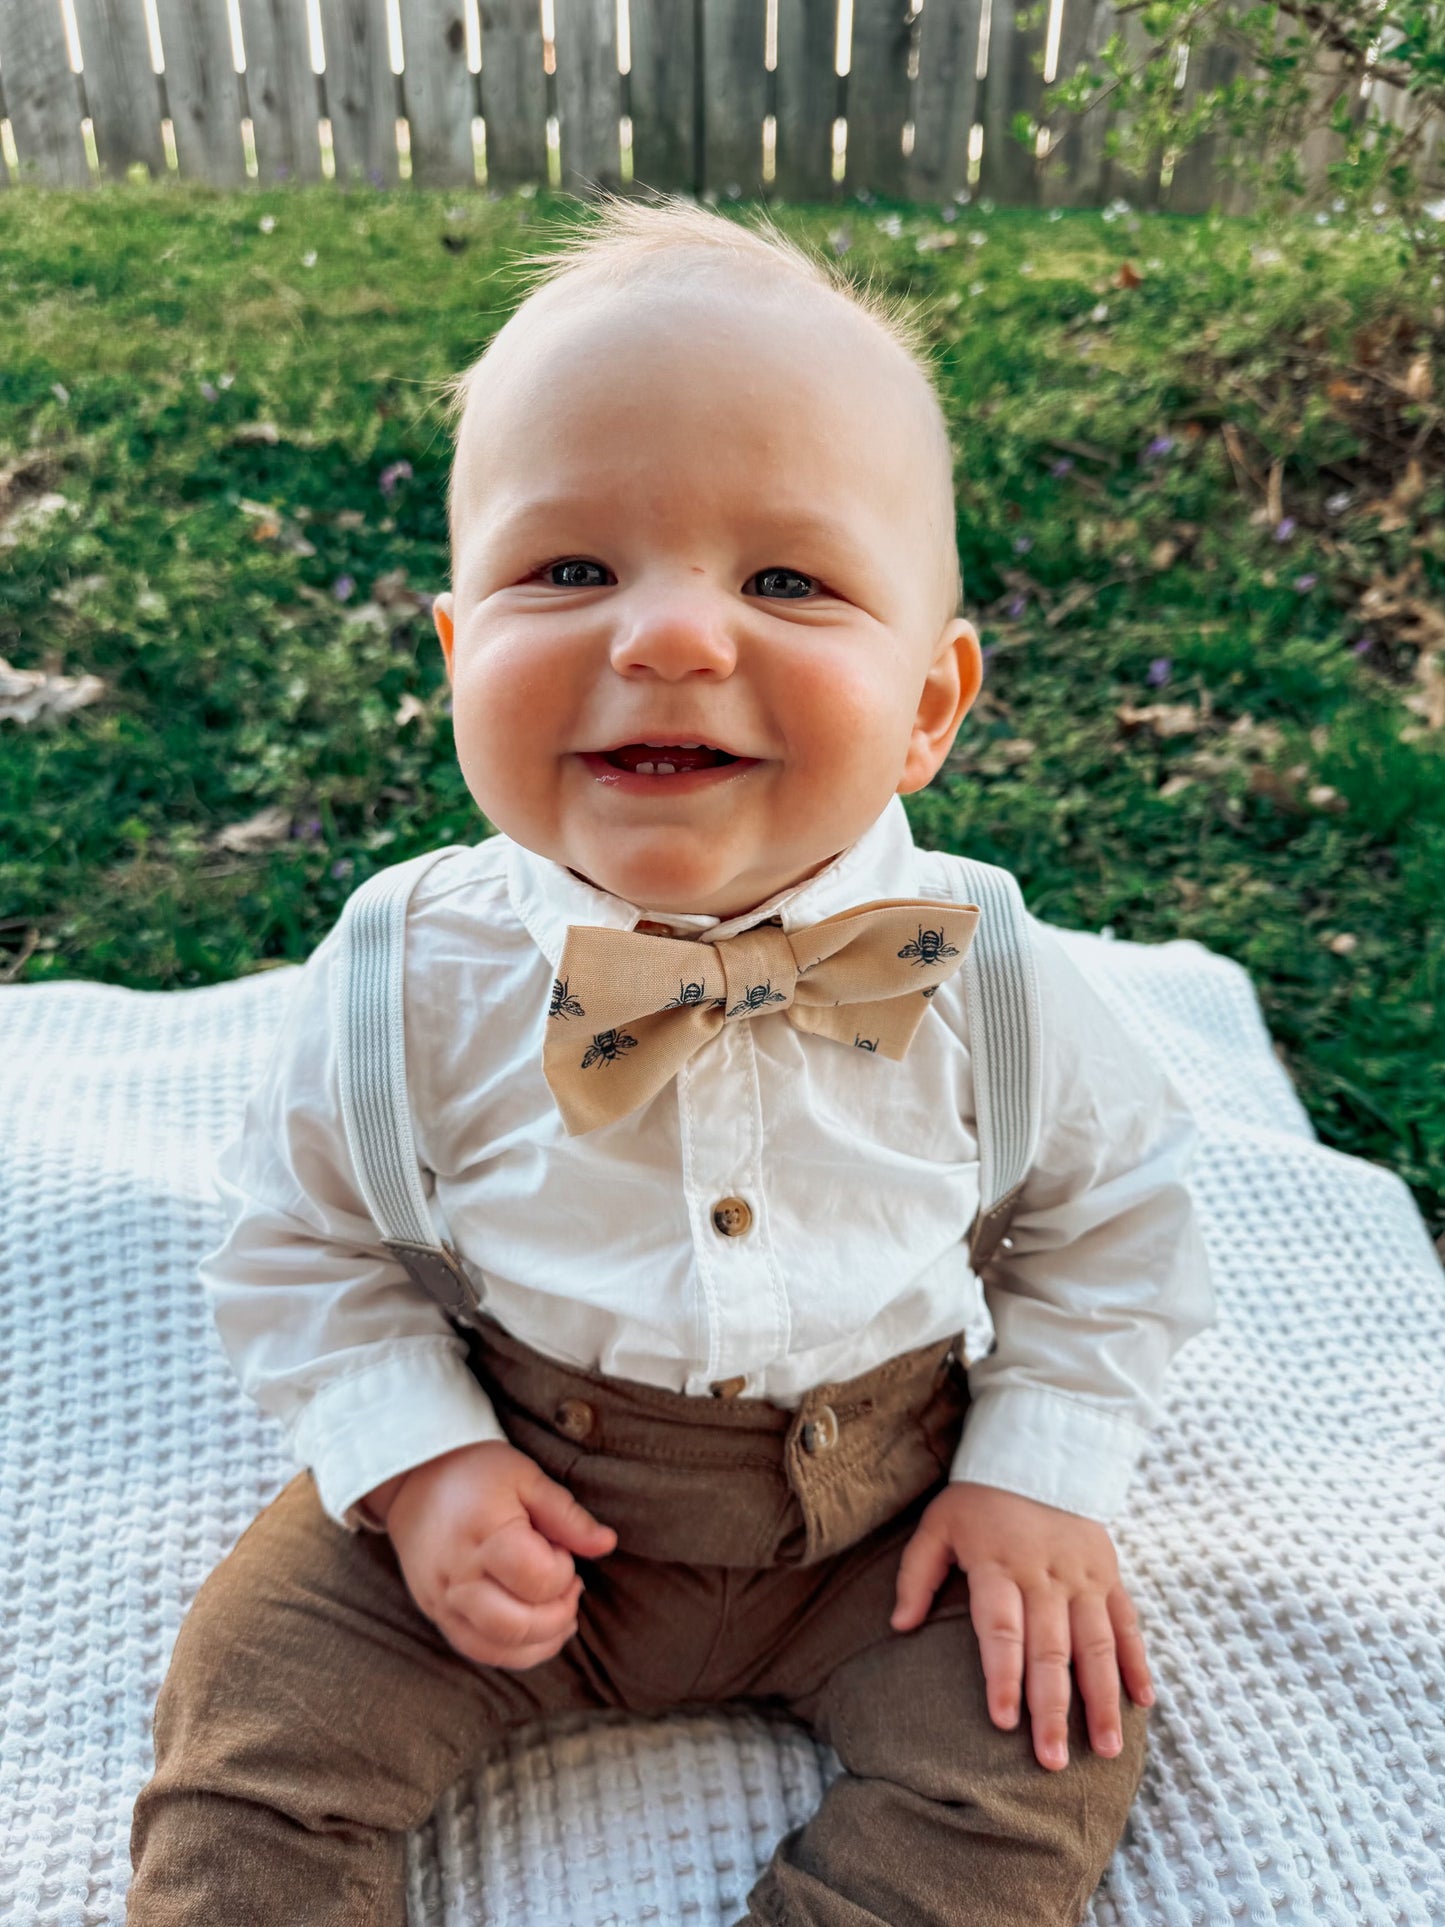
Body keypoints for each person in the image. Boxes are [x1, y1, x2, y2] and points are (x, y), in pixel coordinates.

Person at [125, 188, 1215, 1926]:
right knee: (261, 1722)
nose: (669, 638)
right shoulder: (410, 968)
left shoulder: (985, 970)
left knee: (1046, 1734)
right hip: (520, 1469)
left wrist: (1035, 1479)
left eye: (785, 577)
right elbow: (303, 1245)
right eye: (568, 571)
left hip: (883, 1510)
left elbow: (1111, 1227)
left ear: (932, 701)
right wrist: (415, 1463)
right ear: (459, 651)